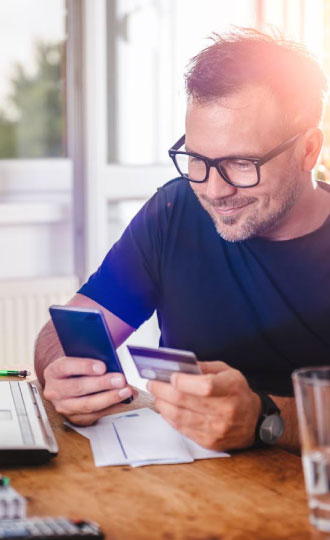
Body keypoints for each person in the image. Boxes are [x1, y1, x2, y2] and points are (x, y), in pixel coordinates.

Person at [35, 28, 330, 452]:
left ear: (309, 150)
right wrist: (61, 371)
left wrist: (266, 417)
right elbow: (66, 329)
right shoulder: (174, 212)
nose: (213, 190)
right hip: (183, 491)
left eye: (242, 163)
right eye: (197, 160)